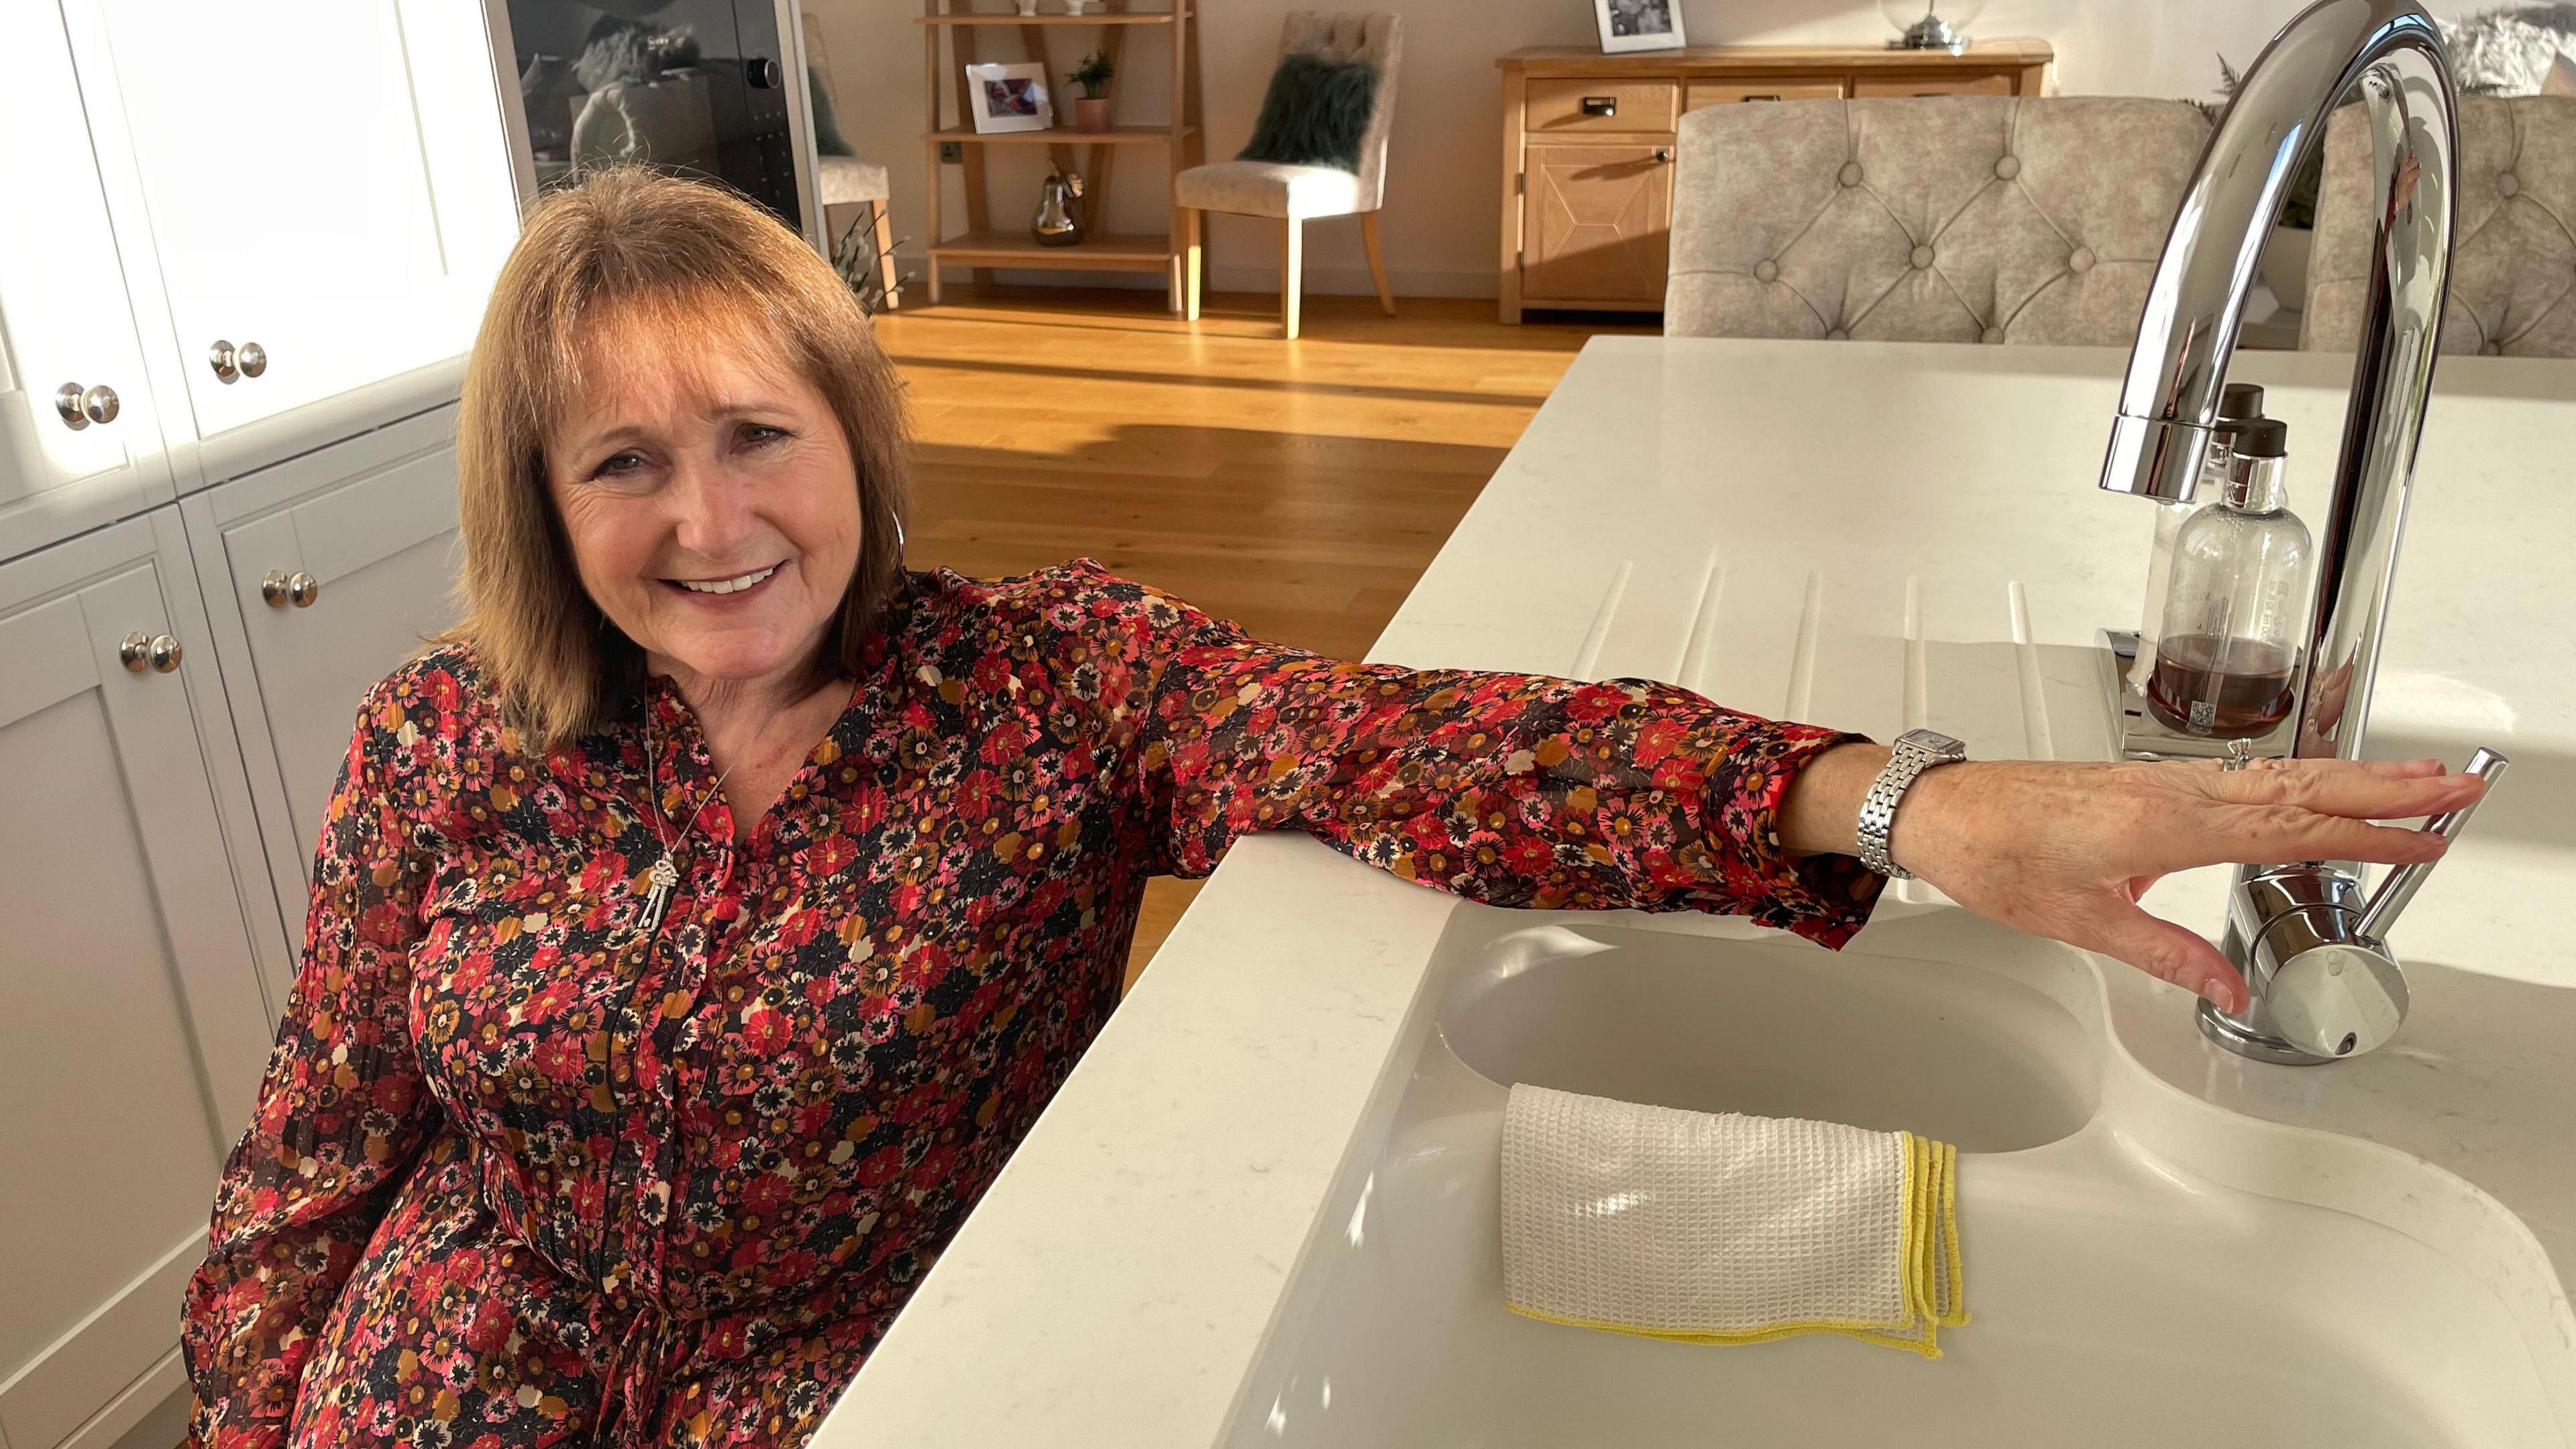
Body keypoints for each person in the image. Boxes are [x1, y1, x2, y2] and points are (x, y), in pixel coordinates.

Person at [180, 169, 2480, 1449]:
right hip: (440, 1364)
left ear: (859, 442)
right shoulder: (438, 740)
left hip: (846, 1380)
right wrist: (262, 1400)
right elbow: (319, 1133)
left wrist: (1896, 799)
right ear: (538, 502)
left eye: (756, 434)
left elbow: (1431, 747)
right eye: (622, 461)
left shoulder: (1050, 691)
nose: (708, 522)